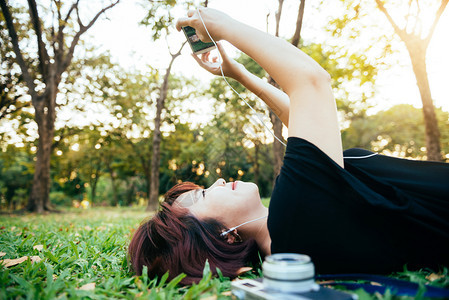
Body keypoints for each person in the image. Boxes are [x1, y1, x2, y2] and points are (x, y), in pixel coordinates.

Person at [128, 8, 449, 285]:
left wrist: (237, 73)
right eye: (202, 194)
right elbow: (311, 82)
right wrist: (222, 26)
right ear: (223, 236)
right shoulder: (292, 225)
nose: (219, 181)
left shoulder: (289, 235)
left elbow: (302, 117)